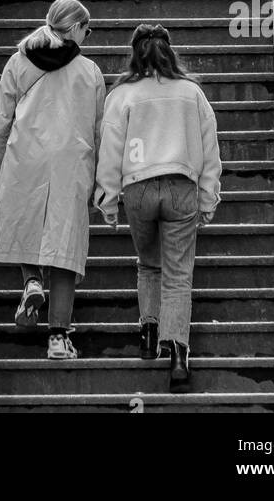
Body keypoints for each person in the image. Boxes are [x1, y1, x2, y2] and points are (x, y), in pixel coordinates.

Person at [94, 23, 222, 392]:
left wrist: (107, 198)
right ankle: (179, 354)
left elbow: (110, 147)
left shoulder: (122, 95)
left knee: (149, 264)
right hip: (182, 185)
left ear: (135, 54)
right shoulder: (191, 93)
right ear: (170, 52)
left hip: (138, 189)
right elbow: (209, 148)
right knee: (179, 273)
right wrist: (208, 196)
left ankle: (148, 334)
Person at [0, 0, 106, 361]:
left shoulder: (18, 62)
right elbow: (101, 130)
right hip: (71, 163)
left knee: (28, 228)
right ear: (77, 29)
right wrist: (103, 180)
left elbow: (1, 121)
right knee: (64, 249)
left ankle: (32, 281)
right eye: (88, 29)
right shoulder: (90, 72)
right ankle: (57, 338)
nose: (89, 35)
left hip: (25, 159)